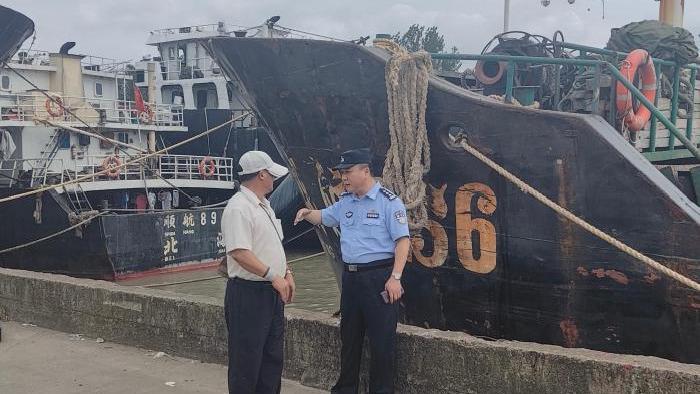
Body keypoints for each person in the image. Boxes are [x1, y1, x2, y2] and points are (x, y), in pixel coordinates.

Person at [295, 148, 410, 394]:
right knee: (349, 338)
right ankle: (346, 389)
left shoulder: (389, 202)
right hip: (351, 278)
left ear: (365, 171)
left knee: (382, 342)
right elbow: (325, 217)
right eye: (342, 172)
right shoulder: (346, 201)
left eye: (348, 172)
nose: (343, 177)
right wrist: (307, 214)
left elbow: (403, 241)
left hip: (378, 277)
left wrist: (395, 278)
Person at [221, 150, 295, 394]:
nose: (274, 179)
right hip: (249, 292)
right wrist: (274, 276)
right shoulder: (239, 208)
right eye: (271, 174)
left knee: (272, 357)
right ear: (262, 175)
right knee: (247, 360)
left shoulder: (265, 207)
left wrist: (286, 273)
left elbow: (270, 246)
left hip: (271, 290)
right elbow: (239, 252)